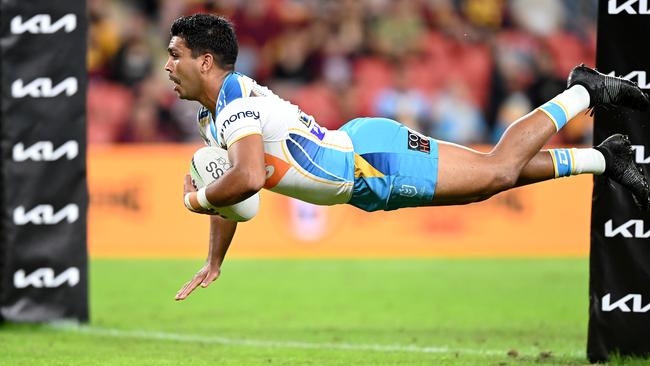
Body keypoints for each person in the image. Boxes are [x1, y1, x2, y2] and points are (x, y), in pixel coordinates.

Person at [166, 14, 649, 301]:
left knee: (497, 169)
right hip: (363, 177)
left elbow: (247, 178)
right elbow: (230, 183)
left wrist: (194, 202)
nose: (168, 66)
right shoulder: (214, 116)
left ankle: (582, 92)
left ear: (204, 61)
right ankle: (607, 159)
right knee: (485, 183)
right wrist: (214, 257)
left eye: (175, 55)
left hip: (375, 158)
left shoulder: (235, 107)